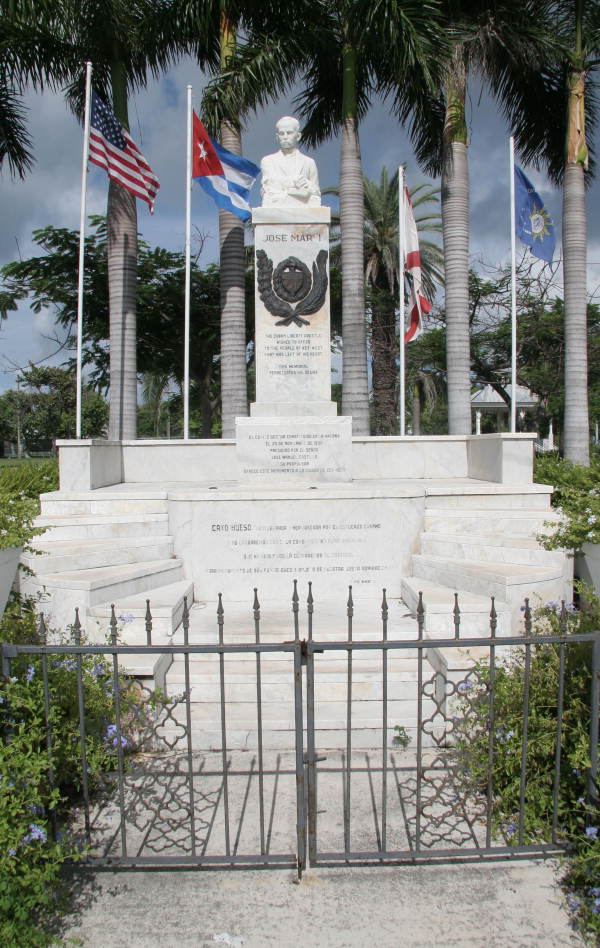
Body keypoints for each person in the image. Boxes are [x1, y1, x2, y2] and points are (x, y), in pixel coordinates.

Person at [260, 116, 321, 207]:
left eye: (289, 133)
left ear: (298, 136)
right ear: (277, 137)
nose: (285, 137)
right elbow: (268, 185)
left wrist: (307, 184)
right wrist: (293, 182)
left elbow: (316, 192)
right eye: (281, 133)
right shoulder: (268, 161)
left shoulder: (309, 162)